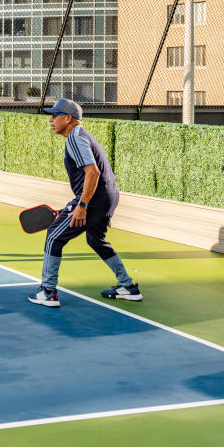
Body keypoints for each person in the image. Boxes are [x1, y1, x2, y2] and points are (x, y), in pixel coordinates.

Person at [27, 98, 141, 307]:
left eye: (55, 116)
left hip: (95, 199)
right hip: (108, 197)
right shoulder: (81, 136)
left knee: (54, 236)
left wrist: (82, 205)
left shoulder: (74, 138)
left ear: (68, 118)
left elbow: (93, 172)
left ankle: (48, 291)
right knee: (96, 240)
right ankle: (127, 286)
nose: (51, 120)